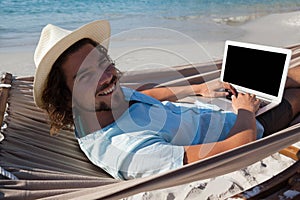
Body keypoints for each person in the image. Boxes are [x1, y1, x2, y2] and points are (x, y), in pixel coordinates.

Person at [33, 20, 300, 180]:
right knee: (295, 90)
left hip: (209, 107)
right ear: (63, 95)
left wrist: (199, 89)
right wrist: (246, 111)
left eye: (103, 63)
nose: (108, 78)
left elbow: (143, 94)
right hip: (242, 126)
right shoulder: (129, 152)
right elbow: (237, 148)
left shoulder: (98, 106)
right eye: (86, 76)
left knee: (278, 77)